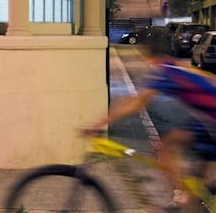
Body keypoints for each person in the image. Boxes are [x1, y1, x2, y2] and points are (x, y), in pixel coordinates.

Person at [85, 30, 216, 206]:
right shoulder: (172, 65)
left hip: (211, 120)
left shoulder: (164, 72)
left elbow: (136, 103)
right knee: (199, 185)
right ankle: (189, 197)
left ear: (148, 53)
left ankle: (180, 196)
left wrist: (100, 123)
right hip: (207, 117)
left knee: (166, 147)